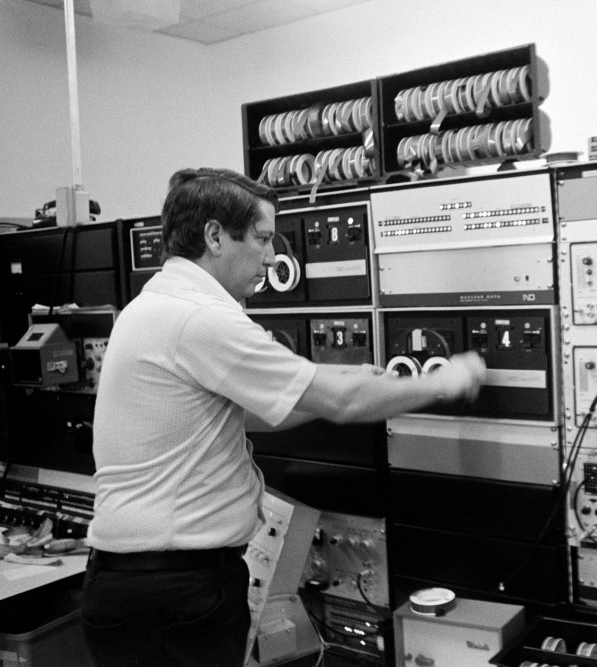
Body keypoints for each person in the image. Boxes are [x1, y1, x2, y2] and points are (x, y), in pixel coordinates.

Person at [81, 167, 486, 666]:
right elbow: (343, 404)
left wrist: (330, 384)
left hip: (140, 586)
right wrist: (444, 383)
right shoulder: (201, 318)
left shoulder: (157, 304)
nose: (272, 258)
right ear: (214, 236)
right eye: (263, 238)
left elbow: (249, 415)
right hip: (174, 593)